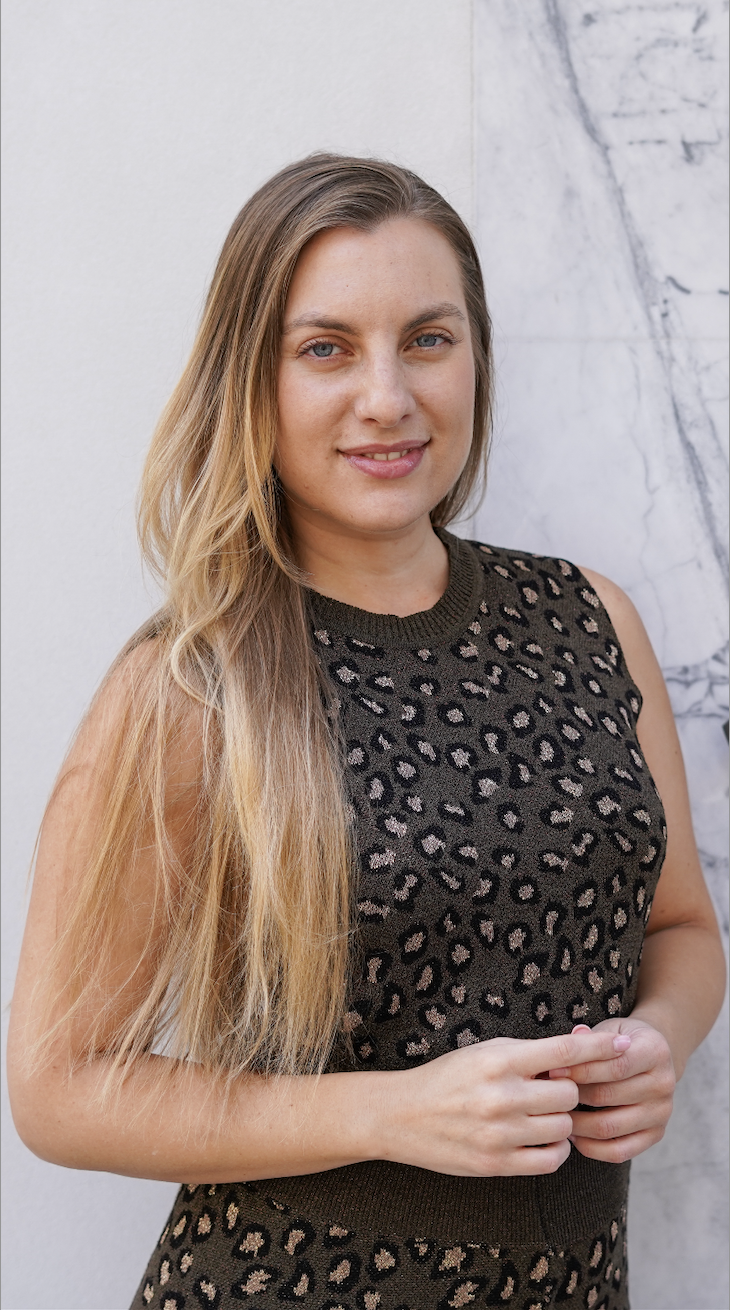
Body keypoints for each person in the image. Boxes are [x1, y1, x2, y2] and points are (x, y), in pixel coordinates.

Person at [7, 155, 725, 1310]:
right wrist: (392, 1109)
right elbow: (56, 1086)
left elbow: (682, 925)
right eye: (326, 347)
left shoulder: (592, 619)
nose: (387, 395)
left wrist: (660, 1038)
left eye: (428, 339)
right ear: (254, 379)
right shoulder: (195, 679)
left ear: (475, 358)